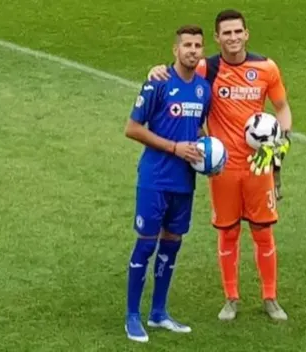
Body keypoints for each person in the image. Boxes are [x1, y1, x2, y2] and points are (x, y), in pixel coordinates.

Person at [147, 9, 293, 321]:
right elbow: (177, 73)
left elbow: (282, 108)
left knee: (263, 231)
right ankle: (231, 298)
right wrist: (157, 71)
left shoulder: (266, 68)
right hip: (222, 168)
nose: (233, 38)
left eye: (237, 32)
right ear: (217, 38)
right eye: (226, 33)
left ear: (247, 33)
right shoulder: (206, 68)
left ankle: (270, 298)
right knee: (228, 233)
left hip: (257, 167)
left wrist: (280, 143)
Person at [124, 24, 211, 343]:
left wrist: (210, 156)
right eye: (186, 45)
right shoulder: (157, 83)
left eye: (197, 45)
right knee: (146, 244)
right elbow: (132, 128)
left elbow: (198, 129)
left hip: (184, 182)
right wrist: (174, 147)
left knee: (172, 245)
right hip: (155, 179)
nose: (192, 50)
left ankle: (158, 313)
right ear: (175, 50)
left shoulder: (204, 88)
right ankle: (132, 315)